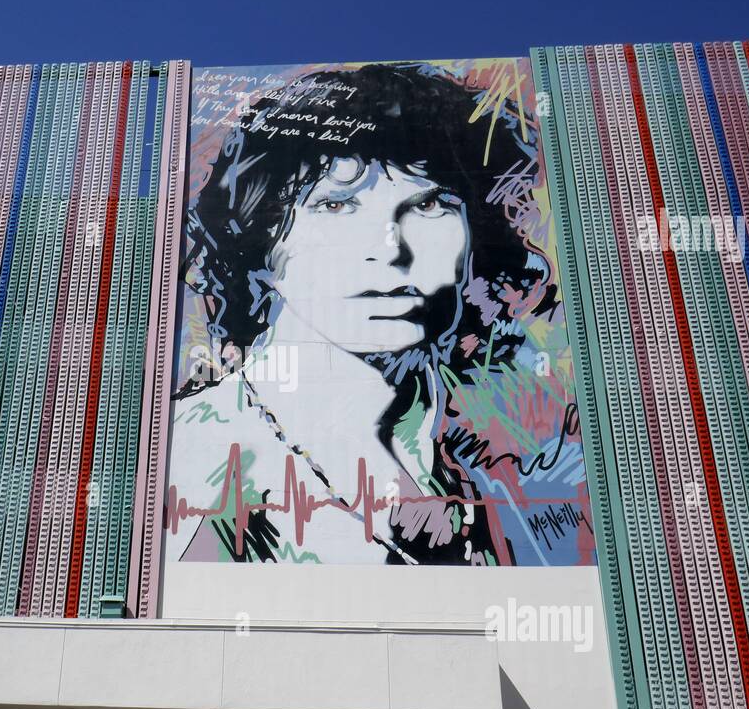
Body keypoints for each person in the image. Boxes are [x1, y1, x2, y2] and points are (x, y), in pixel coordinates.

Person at [166, 62, 589, 565]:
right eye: (337, 204)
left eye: (430, 205)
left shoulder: (491, 457)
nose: (392, 249)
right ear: (265, 242)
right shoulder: (199, 451)